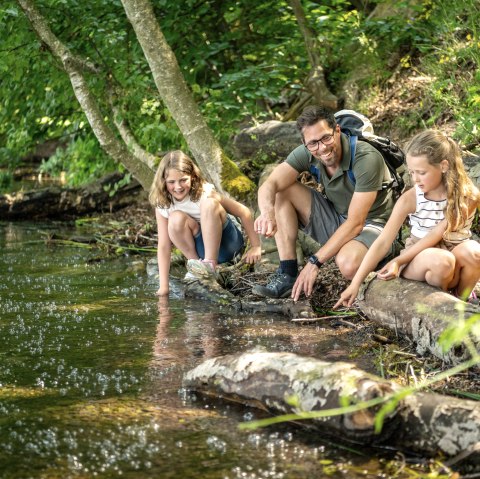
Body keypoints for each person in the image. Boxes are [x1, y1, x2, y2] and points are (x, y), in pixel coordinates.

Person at [253, 106, 396, 301]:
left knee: (347, 264)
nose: (322, 148)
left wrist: (315, 261)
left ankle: (382, 258)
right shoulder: (308, 152)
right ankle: (287, 273)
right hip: (338, 219)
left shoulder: (366, 158)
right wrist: (267, 212)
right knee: (281, 191)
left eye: (326, 138)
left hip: (374, 226)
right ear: (305, 144)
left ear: (337, 130)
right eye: (313, 144)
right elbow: (271, 184)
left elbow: (356, 222)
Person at [334, 129, 480, 309]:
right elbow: (383, 241)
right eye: (411, 172)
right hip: (419, 259)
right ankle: (440, 305)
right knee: (442, 261)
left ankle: (462, 301)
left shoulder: (468, 196)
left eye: (421, 172)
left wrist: (397, 261)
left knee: (474, 250)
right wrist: (355, 283)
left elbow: (437, 233)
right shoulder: (410, 199)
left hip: (455, 260)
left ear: (443, 166)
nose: (415, 179)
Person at [149, 150, 261, 296]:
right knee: (175, 218)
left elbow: (244, 212)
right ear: (163, 181)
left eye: (183, 180)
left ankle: (210, 265)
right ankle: (196, 266)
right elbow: (164, 245)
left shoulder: (204, 192)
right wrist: (164, 287)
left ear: (192, 176)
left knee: (209, 204)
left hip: (228, 244)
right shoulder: (163, 204)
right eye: (171, 182)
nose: (178, 186)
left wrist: (256, 246)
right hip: (199, 249)